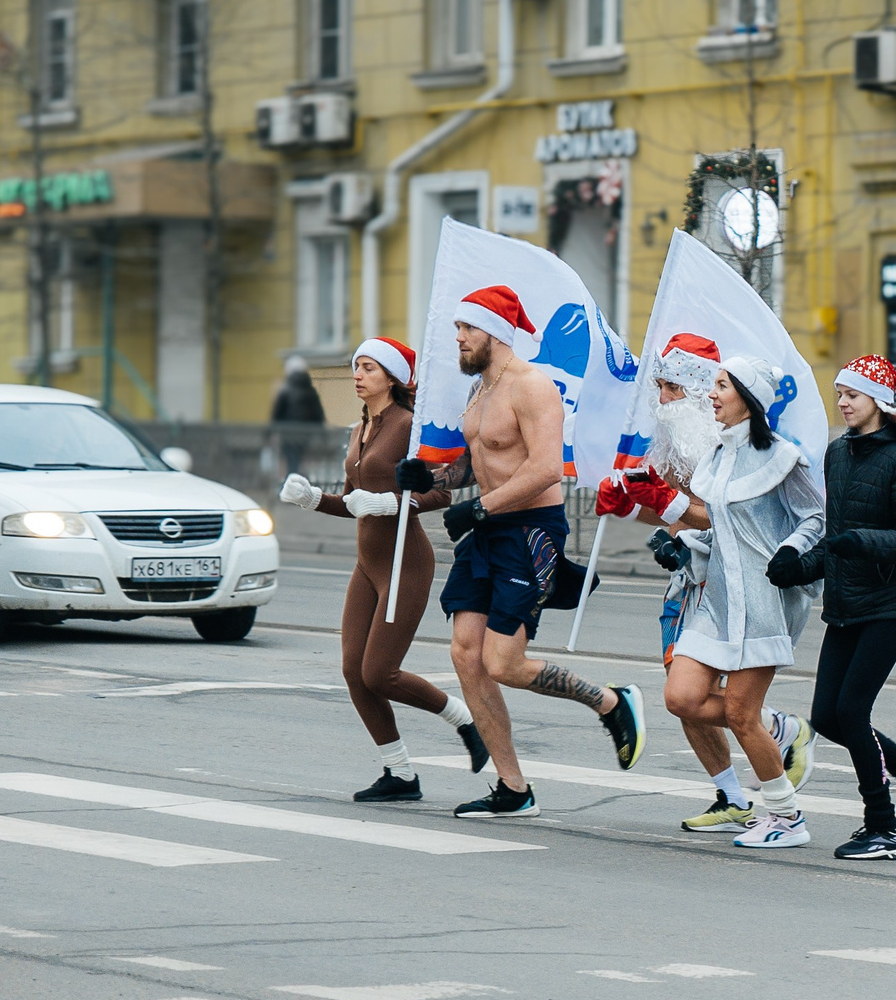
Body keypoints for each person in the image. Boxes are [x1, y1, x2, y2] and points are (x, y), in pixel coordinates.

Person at [396, 285, 645, 820]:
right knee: (465, 655)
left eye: (466, 329)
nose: (457, 338)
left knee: (503, 662)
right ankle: (514, 789)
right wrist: (434, 477)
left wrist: (480, 510)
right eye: (457, 328)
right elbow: (479, 462)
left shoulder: (532, 387)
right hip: (487, 531)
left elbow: (545, 468)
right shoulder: (480, 391)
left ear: (495, 331)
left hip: (529, 531)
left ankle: (610, 701)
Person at [598, 332, 812, 833]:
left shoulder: (727, 445)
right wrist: (634, 505)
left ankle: (776, 759)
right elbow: (687, 521)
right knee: (683, 696)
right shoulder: (699, 447)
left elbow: (724, 521)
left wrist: (663, 503)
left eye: (672, 387)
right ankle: (736, 792)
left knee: (737, 710)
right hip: (697, 583)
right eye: (660, 387)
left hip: (749, 592)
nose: (663, 399)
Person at [279, 337, 488, 801]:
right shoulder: (360, 429)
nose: (357, 374)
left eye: (368, 367)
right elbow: (354, 503)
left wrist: (390, 503)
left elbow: (438, 493)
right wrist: (312, 498)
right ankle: (400, 774)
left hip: (405, 564)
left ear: (392, 377)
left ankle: (466, 719)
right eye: (356, 366)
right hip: (368, 565)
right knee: (354, 671)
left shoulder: (409, 426)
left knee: (380, 673)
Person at [785, 354, 896, 862]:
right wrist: (801, 564)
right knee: (828, 717)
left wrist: (860, 542)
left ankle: (882, 827)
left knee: (853, 712)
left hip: (892, 601)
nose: (842, 403)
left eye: (851, 395)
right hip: (847, 599)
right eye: (839, 394)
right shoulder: (838, 453)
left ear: (877, 402)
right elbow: (837, 537)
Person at [657, 353, 825, 848]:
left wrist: (791, 551)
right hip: (720, 601)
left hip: (764, 601)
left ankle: (786, 818)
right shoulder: (716, 455)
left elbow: (816, 519)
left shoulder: (781, 456)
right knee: (681, 697)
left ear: (748, 399)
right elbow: (723, 532)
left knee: (739, 714)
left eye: (723, 386)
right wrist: (683, 545)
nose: (712, 394)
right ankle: (784, 726)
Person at [269, 354, 327, 481]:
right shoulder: (310, 390)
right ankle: (300, 486)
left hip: (288, 433)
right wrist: (322, 433)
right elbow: (318, 413)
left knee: (291, 461)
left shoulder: (286, 389)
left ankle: (291, 487)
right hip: (306, 434)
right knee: (301, 461)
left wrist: (269, 433)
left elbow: (277, 413)